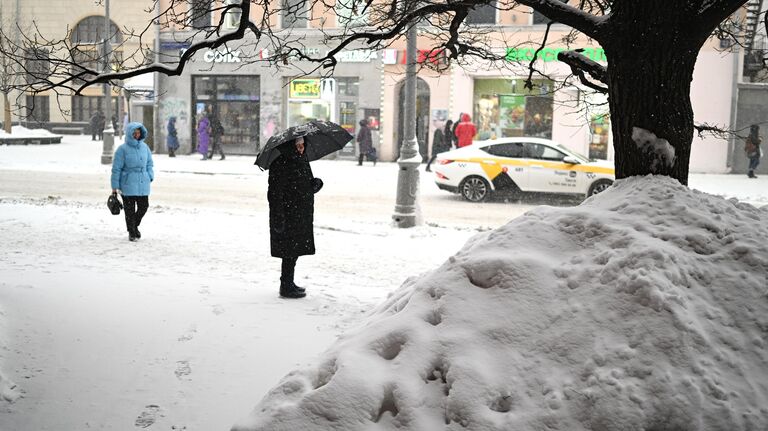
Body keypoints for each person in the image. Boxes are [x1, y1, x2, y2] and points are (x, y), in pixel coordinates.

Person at [268, 136, 315, 299]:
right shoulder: (281, 162)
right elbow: (275, 192)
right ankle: (285, 285)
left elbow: (304, 183)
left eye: (303, 145)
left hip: (299, 213)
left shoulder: (302, 159)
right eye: (298, 145)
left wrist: (314, 185)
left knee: (294, 250)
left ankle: (289, 282)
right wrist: (278, 216)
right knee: (288, 250)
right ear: (291, 146)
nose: (301, 148)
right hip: (288, 213)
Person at [111, 122, 154, 242]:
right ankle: (132, 232)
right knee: (129, 210)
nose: (136, 134)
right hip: (127, 184)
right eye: (134, 132)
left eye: (138, 132)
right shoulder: (122, 150)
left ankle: (134, 225)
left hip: (143, 183)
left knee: (143, 207)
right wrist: (115, 187)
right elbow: (116, 169)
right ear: (130, 134)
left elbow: (150, 163)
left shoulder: (145, 147)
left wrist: (150, 175)